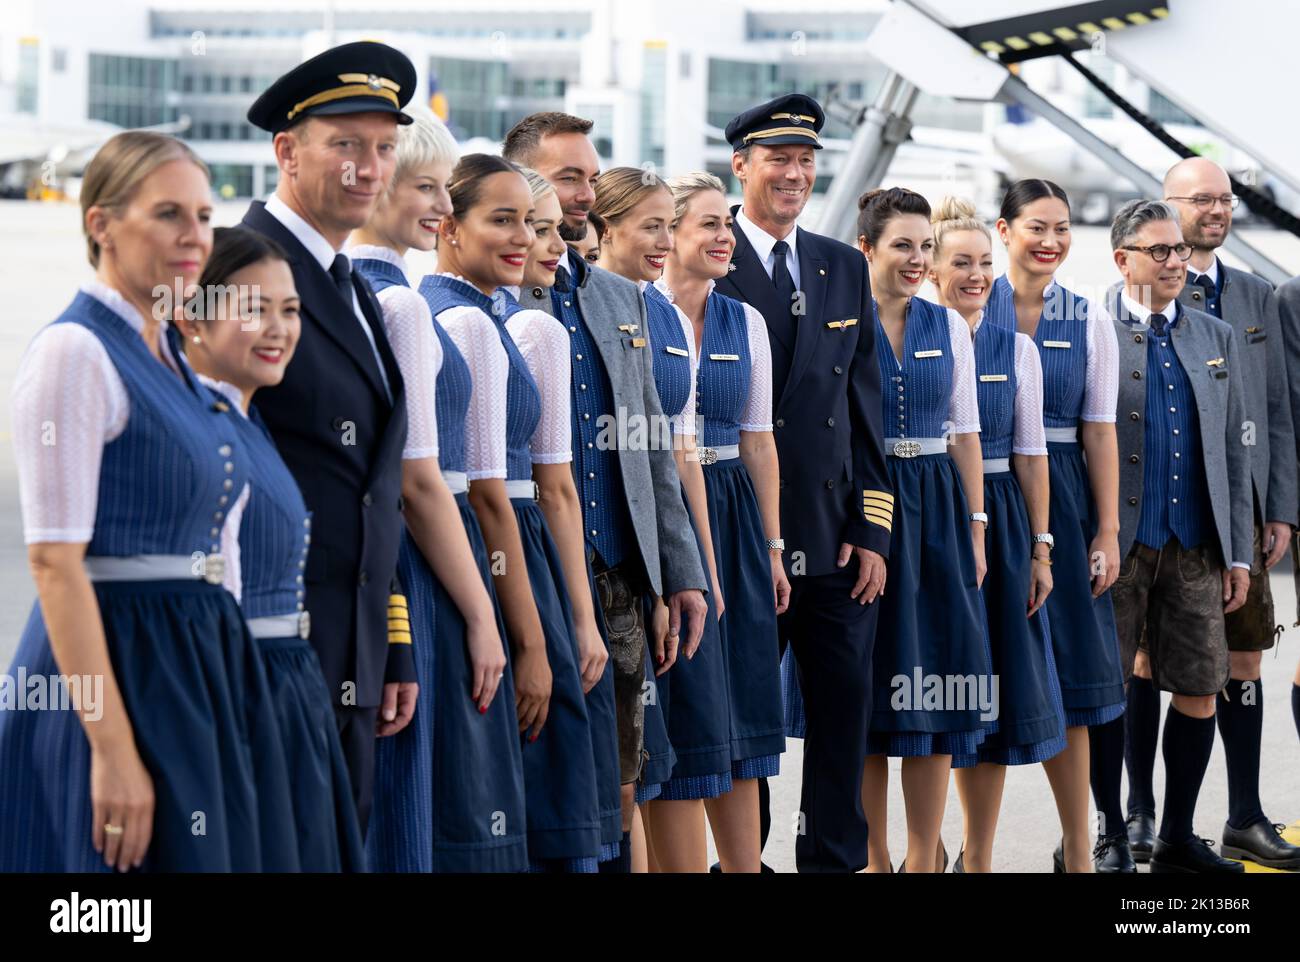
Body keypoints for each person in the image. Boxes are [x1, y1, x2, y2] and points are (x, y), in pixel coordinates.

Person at [0, 131, 298, 871]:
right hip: (120, 662)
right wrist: (109, 747)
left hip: (193, 665)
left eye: (202, 215)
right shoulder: (78, 351)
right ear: (101, 224)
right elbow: (53, 562)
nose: (194, 236)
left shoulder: (166, 355)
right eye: (169, 214)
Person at [503, 112, 710, 872]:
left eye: (590, 178)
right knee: (539, 771)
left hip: (621, 578)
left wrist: (679, 573)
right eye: (568, 178)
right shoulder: (499, 297)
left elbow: (654, 444)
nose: (585, 194)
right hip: (530, 573)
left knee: (625, 775)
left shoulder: (620, 299)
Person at [241, 41, 418, 834]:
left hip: (353, 655)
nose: (368, 167)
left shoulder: (355, 290)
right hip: (269, 648)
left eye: (383, 149)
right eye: (344, 144)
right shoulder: (239, 275)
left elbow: (375, 490)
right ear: (287, 150)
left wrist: (395, 648)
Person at [713, 94, 891, 874]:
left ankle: (833, 862)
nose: (794, 174)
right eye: (777, 159)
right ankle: (738, 863)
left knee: (842, 718)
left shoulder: (842, 263)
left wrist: (874, 529)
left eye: (806, 160)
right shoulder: (707, 253)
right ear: (741, 166)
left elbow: (866, 407)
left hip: (832, 539)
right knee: (745, 721)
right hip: (744, 536)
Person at [350, 111, 529, 872]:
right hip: (426, 571)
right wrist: (485, 615)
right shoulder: (397, 303)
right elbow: (422, 482)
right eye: (426, 187)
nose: (441, 207)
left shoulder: (366, 291)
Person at [421, 154, 604, 871]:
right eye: (501, 221)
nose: (524, 238)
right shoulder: (465, 322)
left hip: (514, 562)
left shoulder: (487, 317)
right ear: (448, 228)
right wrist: (534, 641)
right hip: (504, 564)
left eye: (528, 222)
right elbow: (488, 495)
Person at [179, 225, 366, 871]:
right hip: (239, 695)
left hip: (284, 693)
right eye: (254, 309)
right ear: (193, 317)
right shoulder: (196, 428)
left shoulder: (244, 418)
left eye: (290, 311)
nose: (280, 329)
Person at [1150, 157, 1300, 870]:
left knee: (1245, 659)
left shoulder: (1257, 297)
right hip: (1168, 512)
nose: (1216, 209)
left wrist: (1283, 512)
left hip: (1242, 513)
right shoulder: (1140, 290)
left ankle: (1244, 816)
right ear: (1168, 203)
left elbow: (1276, 413)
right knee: (1147, 665)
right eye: (1202, 199)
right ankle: (1136, 820)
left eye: (1225, 199)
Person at [1099, 199, 1251, 873]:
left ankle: (1177, 837)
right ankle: (1109, 829)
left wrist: (1237, 549)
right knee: (1103, 689)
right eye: (1157, 251)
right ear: (1122, 257)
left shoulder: (1214, 336)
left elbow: (1234, 451)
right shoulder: (1090, 327)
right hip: (1119, 544)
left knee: (1198, 683)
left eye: (1178, 251)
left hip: (1194, 543)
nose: (1172, 262)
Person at [590, 167, 734, 873]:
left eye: (665, 224)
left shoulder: (652, 312)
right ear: (604, 226)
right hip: (605, 563)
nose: (664, 238)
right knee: (627, 771)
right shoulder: (582, 304)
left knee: (660, 753)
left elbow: (670, 458)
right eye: (651, 225)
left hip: (651, 560)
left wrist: (691, 573)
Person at [986, 179, 1123, 873]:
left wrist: (1106, 531)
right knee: (989, 671)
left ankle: (1079, 846)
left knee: (1071, 673)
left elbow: (1100, 432)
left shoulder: (1087, 317)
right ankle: (970, 848)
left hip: (1063, 498)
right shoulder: (970, 307)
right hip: (990, 488)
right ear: (1003, 229)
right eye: (1036, 226)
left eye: (1063, 228)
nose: (1051, 241)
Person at [656, 171, 789, 872]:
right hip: (666, 506)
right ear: (668, 233)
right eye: (707, 224)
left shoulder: (748, 321)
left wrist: (772, 545)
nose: (723, 237)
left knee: (740, 705)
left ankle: (742, 867)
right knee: (685, 702)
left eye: (726, 226)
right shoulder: (641, 314)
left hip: (734, 509)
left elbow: (760, 438)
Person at [855, 187, 991, 874]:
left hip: (937, 507)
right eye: (902, 245)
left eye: (924, 247)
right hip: (869, 508)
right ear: (867, 249)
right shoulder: (840, 326)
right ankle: (877, 859)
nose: (916, 259)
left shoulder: (950, 328)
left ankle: (922, 859)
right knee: (871, 693)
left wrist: (975, 526)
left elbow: (965, 434)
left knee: (939, 681)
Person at [929, 198, 1066, 873]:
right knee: (924, 688)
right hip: (928, 514)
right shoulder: (906, 336)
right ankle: (914, 852)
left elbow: (1033, 456)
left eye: (985, 262)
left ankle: (976, 857)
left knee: (992, 693)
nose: (977, 274)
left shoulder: (1017, 349)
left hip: (1003, 522)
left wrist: (1041, 547)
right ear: (931, 269)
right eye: (962, 262)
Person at [503, 165, 624, 867]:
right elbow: (549, 488)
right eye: (530, 226)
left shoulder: (550, 315)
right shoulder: (516, 324)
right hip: (531, 558)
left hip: (555, 560)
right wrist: (580, 617)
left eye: (550, 228)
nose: (547, 242)